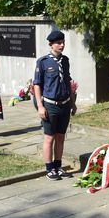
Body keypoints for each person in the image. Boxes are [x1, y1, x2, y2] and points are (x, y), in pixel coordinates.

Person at [33, 30, 77, 180]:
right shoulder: (43, 62)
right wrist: (40, 106)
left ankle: (58, 166)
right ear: (51, 44)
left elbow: (68, 81)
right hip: (50, 105)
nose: (62, 45)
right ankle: (49, 168)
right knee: (49, 138)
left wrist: (73, 103)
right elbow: (37, 84)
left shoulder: (65, 60)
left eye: (63, 42)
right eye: (58, 43)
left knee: (60, 137)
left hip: (64, 104)